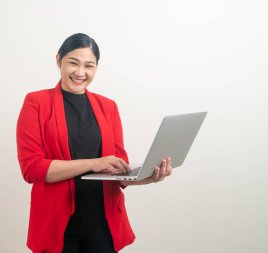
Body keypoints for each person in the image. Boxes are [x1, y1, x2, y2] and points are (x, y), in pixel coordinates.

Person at [16, 33, 172, 253]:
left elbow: (118, 171)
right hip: (58, 226)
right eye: (73, 62)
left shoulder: (108, 107)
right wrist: (93, 163)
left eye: (89, 66)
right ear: (58, 59)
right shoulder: (36, 103)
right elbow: (32, 169)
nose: (80, 72)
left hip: (103, 224)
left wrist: (147, 177)